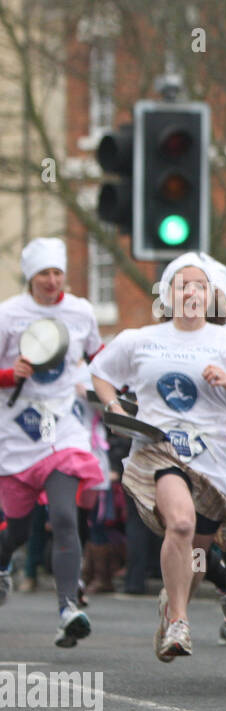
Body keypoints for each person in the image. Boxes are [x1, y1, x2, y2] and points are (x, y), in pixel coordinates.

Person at [88, 253, 226, 668]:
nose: (190, 292)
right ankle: (179, 621)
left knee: (197, 554)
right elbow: (100, 371)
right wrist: (116, 408)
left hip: (213, 460)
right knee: (180, 523)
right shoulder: (140, 339)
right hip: (159, 449)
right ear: (168, 294)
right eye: (181, 285)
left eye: (199, 285)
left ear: (211, 296)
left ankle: (171, 608)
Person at [0, 238, 105, 646]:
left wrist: (121, 389)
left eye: (58, 272)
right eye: (44, 273)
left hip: (62, 428)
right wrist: (11, 374)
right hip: (15, 432)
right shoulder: (8, 314)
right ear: (31, 277)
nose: (52, 280)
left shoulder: (80, 311)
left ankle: (68, 608)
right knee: (19, 530)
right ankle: (5, 558)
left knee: (63, 515)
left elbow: (100, 359)